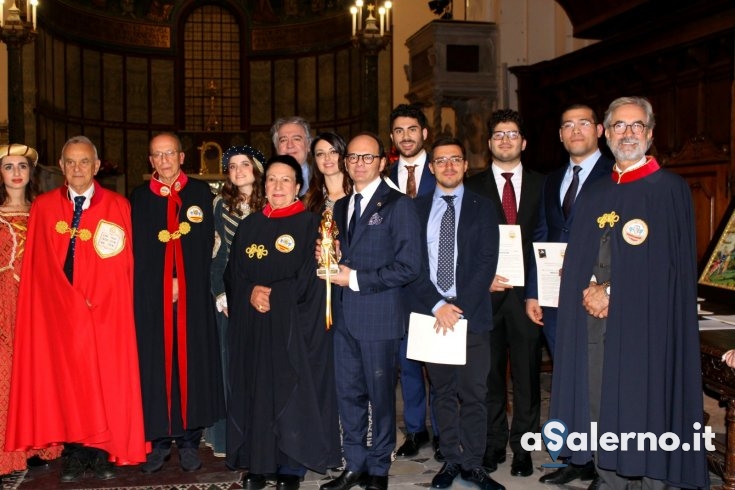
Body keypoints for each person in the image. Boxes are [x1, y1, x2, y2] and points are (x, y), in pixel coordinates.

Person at [550, 96, 709, 489]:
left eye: (637, 126)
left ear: (651, 134)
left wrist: (614, 292)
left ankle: (651, 477)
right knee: (598, 398)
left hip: (645, 324)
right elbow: (582, 254)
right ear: (607, 135)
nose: (628, 133)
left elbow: (670, 267)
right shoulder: (596, 191)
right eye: (619, 125)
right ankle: (609, 474)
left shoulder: (668, 189)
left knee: (642, 401)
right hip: (595, 324)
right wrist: (588, 289)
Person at [5, 136, 148, 483]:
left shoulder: (118, 206)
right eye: (70, 162)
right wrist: (63, 302)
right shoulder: (44, 207)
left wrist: (97, 299)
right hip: (59, 313)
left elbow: (123, 266)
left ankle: (100, 453)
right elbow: (38, 267)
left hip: (103, 312)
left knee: (103, 380)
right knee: (67, 382)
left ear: (97, 166)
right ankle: (74, 452)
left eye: (84, 162)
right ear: (62, 166)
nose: (77, 169)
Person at [226, 154, 341, 490]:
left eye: (285, 180)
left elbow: (312, 277)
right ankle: (259, 464)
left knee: (290, 390)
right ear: (264, 185)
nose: (277, 186)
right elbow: (235, 274)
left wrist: (275, 294)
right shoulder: (249, 225)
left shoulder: (310, 225)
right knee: (257, 391)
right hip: (255, 328)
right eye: (272, 179)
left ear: (298, 186)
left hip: (292, 328)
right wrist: (249, 292)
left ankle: (291, 465)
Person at [318, 132, 422, 490]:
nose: (359, 163)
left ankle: (378, 468)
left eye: (367, 157)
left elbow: (410, 266)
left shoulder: (398, 205)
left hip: (379, 316)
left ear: (381, 162)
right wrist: (327, 259)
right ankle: (354, 464)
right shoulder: (343, 205)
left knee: (379, 396)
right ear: (346, 163)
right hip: (344, 317)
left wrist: (356, 278)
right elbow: (344, 257)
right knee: (348, 394)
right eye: (353, 158)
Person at [406, 137, 503, 490]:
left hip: (471, 313)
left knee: (475, 393)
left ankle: (474, 464)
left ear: (465, 166)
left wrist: (457, 306)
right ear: (431, 168)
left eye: (455, 160)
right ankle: (450, 459)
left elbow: (485, 262)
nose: (448, 166)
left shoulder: (483, 207)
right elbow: (411, 264)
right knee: (443, 393)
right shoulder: (413, 209)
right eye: (441, 161)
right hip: (431, 314)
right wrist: (438, 305)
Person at [527, 104, 613, 486]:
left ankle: (605, 462)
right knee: (568, 378)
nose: (575, 131)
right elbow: (543, 235)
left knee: (601, 379)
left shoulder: (615, 174)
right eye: (567, 125)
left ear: (598, 130)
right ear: (560, 135)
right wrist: (534, 293)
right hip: (556, 300)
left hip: (598, 296)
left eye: (583, 124)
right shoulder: (553, 179)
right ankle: (576, 457)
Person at [131, 132, 224, 474]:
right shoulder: (139, 198)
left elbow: (212, 248)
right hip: (153, 303)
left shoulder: (202, 194)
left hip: (194, 301)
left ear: (182, 157)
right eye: (157, 155)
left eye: (170, 153)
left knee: (192, 365)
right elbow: (136, 254)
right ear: (151, 161)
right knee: (156, 366)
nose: (164, 160)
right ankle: (157, 442)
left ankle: (188, 441)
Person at [465, 109, 544, 478]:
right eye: (498, 135)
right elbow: (464, 244)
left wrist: (540, 289)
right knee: (489, 376)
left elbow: (550, 239)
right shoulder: (472, 186)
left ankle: (524, 447)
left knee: (527, 377)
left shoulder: (544, 185)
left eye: (512, 134)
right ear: (489, 143)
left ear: (523, 142)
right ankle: (493, 443)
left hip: (528, 297)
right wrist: (480, 280)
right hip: (488, 294)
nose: (505, 140)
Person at [0, 145, 64, 483]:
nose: (15, 172)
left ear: (30, 171)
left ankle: (35, 445)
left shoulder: (44, 210)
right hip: (2, 302)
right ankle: (4, 452)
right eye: (8, 166)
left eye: (21, 166)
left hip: (35, 302)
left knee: (35, 373)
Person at [387, 104, 440, 460]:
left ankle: (442, 429)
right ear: (392, 138)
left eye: (412, 129)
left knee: (437, 362)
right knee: (407, 363)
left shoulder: (443, 171)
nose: (406, 136)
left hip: (436, 282)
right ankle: (416, 430)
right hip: (397, 285)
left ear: (424, 133)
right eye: (399, 130)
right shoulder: (383, 176)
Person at [207, 145, 267, 457]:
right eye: (232, 166)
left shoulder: (273, 201)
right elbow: (216, 257)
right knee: (230, 369)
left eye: (245, 164)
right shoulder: (219, 205)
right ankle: (232, 438)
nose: (239, 170)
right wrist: (221, 295)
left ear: (256, 169)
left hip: (265, 300)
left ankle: (263, 436)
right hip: (229, 299)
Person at [304, 131, 351, 213]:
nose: (327, 158)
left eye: (333, 152)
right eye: (320, 154)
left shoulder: (358, 191)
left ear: (343, 155)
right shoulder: (310, 199)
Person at [272, 116, 312, 197]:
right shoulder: (266, 182)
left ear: (308, 145)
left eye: (296, 139)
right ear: (277, 147)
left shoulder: (322, 177)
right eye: (283, 140)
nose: (290, 145)